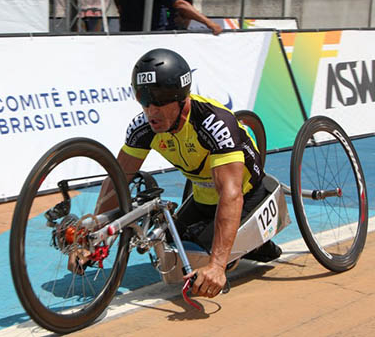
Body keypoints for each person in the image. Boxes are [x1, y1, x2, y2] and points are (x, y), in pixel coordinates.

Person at [85, 48, 282, 298]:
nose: (151, 111)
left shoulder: (212, 123)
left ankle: (257, 246)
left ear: (181, 99)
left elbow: (231, 195)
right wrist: (93, 238)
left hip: (245, 194)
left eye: (159, 102)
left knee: (204, 262)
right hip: (201, 197)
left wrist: (218, 267)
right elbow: (117, 181)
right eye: (144, 101)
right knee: (169, 251)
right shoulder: (143, 128)